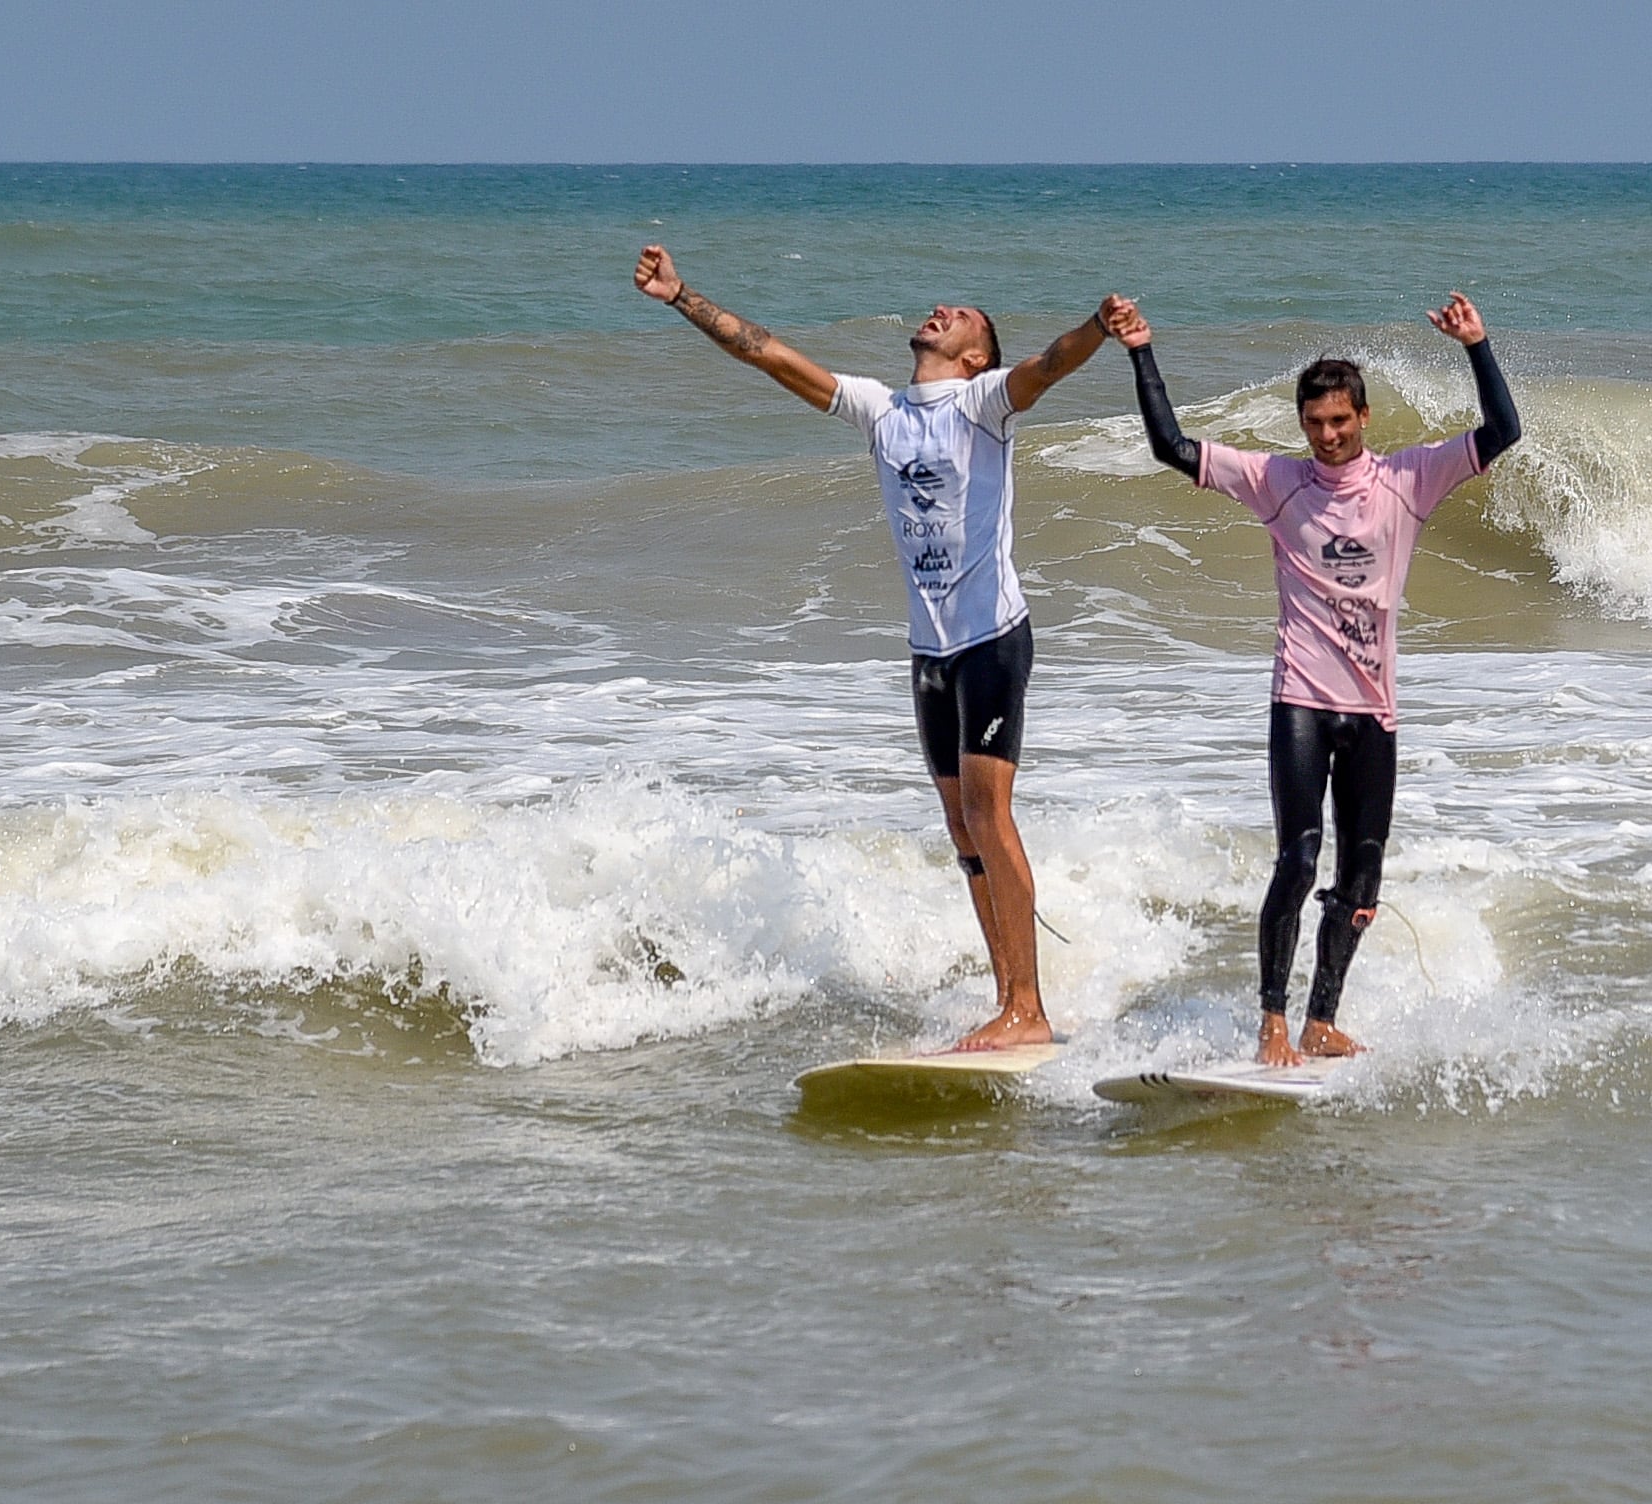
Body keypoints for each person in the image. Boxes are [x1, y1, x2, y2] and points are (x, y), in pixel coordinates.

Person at [635, 243, 1122, 1050]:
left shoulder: (984, 402)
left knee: (988, 814)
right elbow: (772, 359)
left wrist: (1096, 329)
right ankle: (1006, 999)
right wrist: (683, 297)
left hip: (991, 637)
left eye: (960, 315)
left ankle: (1029, 1009)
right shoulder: (882, 410)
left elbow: (1047, 366)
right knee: (960, 827)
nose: (941, 310)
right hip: (927, 649)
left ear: (973, 355)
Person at [1113, 294, 1521, 1066]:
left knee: (1360, 884)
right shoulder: (1276, 482)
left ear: (1363, 416)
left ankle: (1320, 1021)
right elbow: (1170, 445)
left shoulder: (1411, 477)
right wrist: (1140, 350)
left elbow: (1504, 432)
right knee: (1298, 862)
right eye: (1313, 425)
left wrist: (1477, 345)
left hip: (1373, 711)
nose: (1327, 437)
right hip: (1299, 698)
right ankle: (1273, 1019)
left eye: (1339, 422)